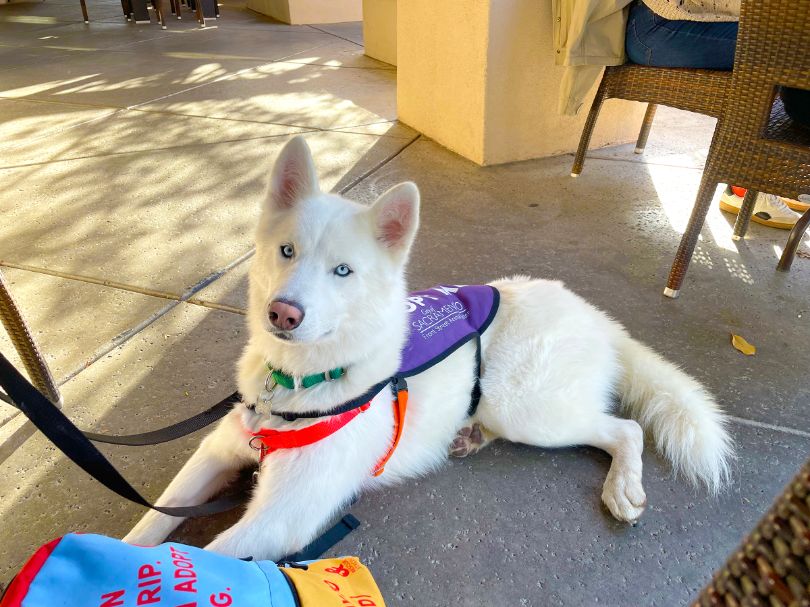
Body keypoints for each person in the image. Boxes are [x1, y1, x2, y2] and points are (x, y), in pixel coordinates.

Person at [552, 0, 809, 229]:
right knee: (790, 47)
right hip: (662, 26)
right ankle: (751, 180)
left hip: (693, 22)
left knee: (792, 42)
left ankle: (765, 176)